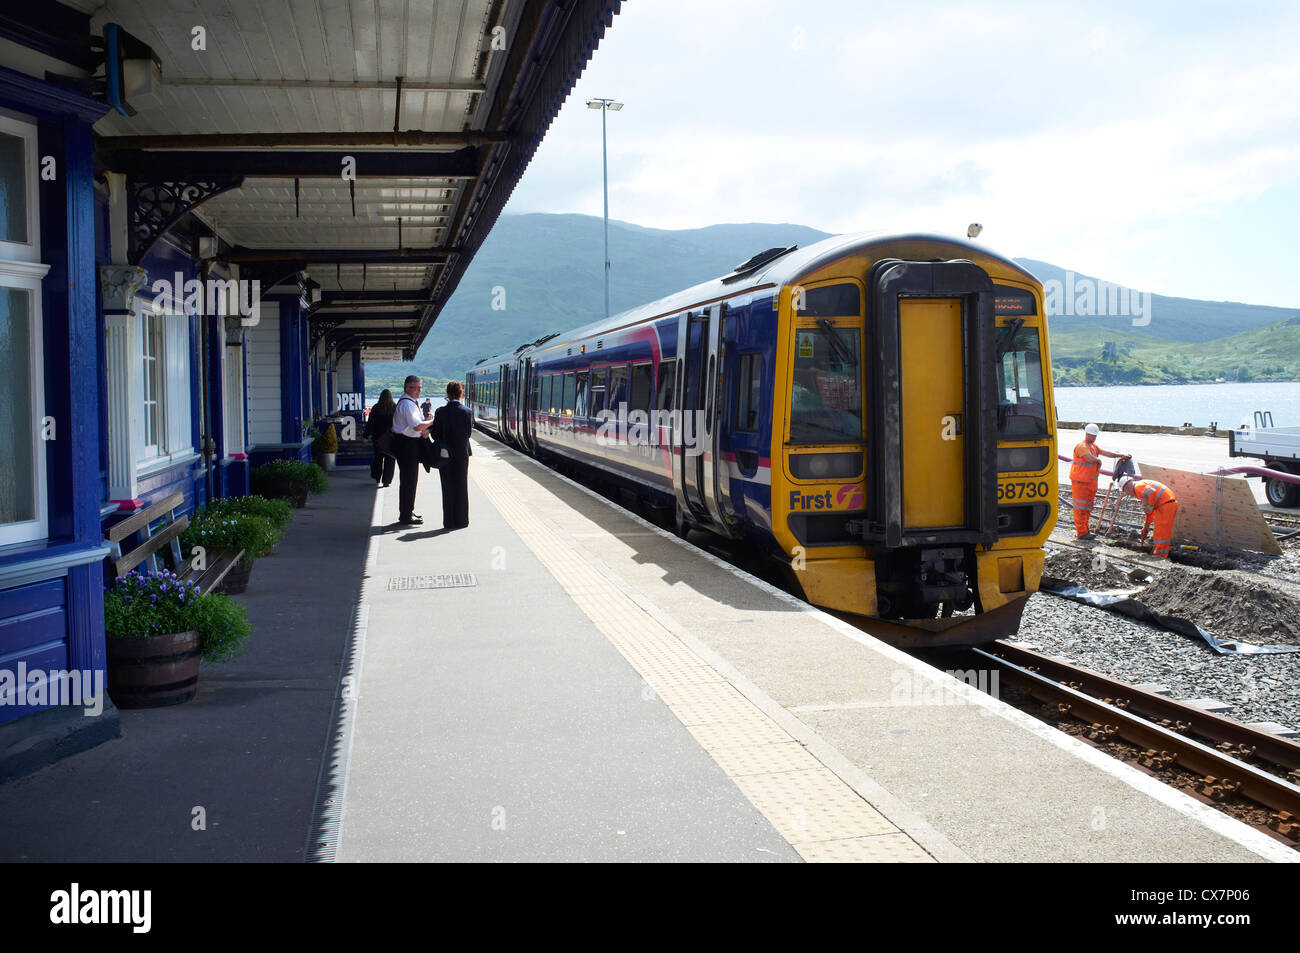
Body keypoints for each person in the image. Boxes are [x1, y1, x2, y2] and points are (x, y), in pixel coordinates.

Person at [1069, 423, 1131, 539]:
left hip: (1089, 483)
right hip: (1080, 482)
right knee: (1080, 508)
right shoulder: (1082, 446)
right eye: (1092, 436)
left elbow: (1107, 453)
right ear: (1087, 434)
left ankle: (1085, 531)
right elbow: (1089, 458)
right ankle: (1081, 533)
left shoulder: (1094, 447)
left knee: (1087, 508)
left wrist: (1120, 455)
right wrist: (1098, 460)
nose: (1093, 438)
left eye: (1095, 436)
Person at [431, 380, 473, 529]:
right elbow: (468, 433)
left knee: (447, 487)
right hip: (462, 454)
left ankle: (449, 521)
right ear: (460, 394)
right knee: (461, 486)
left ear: (447, 394)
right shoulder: (467, 411)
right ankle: (462, 521)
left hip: (445, 454)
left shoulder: (440, 412)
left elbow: (435, 434)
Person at [392, 375, 434, 525]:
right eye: (415, 388)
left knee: (409, 480)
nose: (418, 391)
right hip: (406, 445)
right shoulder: (408, 404)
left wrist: (424, 424)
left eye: (420, 388)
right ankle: (405, 515)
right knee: (409, 480)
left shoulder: (410, 402)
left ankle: (407, 511)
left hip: (407, 444)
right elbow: (417, 426)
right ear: (407, 388)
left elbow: (416, 425)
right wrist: (433, 421)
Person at [1120, 476, 1179, 558]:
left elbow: (1152, 492)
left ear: (1127, 487)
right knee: (1158, 531)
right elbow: (1150, 512)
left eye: (1125, 491)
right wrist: (1146, 526)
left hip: (1166, 505)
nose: (1128, 494)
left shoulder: (1137, 486)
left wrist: (1150, 506)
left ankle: (1160, 556)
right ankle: (1159, 554)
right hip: (1165, 505)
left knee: (1161, 532)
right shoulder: (1140, 490)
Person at [363, 389, 397, 487]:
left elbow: (370, 423)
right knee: (390, 459)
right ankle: (386, 480)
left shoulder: (376, 408)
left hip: (377, 437)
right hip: (391, 438)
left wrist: (365, 436)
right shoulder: (394, 407)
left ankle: (377, 477)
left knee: (378, 458)